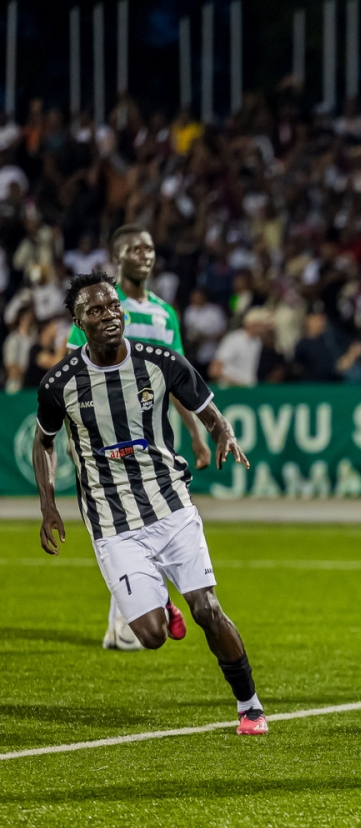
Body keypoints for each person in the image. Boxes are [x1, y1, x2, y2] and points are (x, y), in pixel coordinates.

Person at [32, 271, 269, 735]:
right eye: (95, 311)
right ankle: (161, 605)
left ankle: (250, 706)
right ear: (78, 321)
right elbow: (43, 443)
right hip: (111, 519)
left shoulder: (160, 361)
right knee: (151, 637)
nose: (109, 316)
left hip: (171, 504)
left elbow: (204, 405)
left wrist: (222, 430)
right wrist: (48, 506)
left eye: (113, 307)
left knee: (208, 609)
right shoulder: (59, 383)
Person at [65, 225, 212, 650]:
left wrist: (197, 435)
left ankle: (146, 610)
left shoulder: (165, 314)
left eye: (149, 247)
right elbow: (76, 368)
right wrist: (78, 439)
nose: (144, 254)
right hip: (106, 438)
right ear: (118, 257)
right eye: (134, 248)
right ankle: (134, 618)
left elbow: (179, 381)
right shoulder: (103, 307)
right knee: (118, 522)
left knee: (155, 520)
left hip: (154, 439)